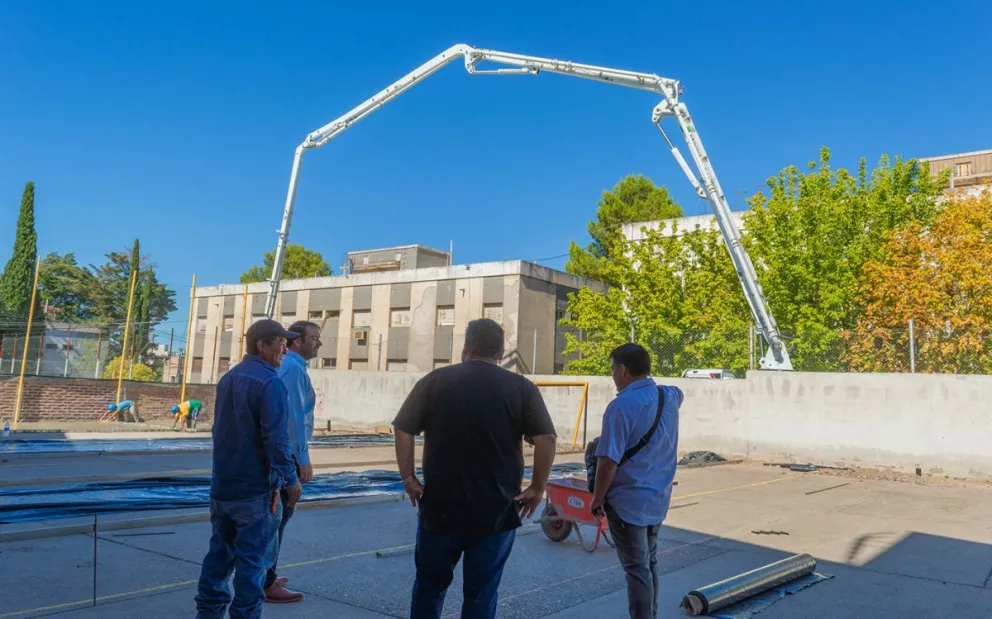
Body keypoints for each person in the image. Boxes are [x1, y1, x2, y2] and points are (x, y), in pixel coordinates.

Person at [393, 318, 558, 619]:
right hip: (496, 512)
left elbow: (403, 428)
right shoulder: (521, 387)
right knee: (481, 594)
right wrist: (537, 488)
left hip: (440, 510)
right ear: (500, 352)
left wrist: (408, 478)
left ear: (466, 347)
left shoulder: (435, 381)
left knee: (429, 587)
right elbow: (546, 439)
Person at [194, 319, 302, 619]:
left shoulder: (229, 378)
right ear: (262, 345)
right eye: (281, 344)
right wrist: (291, 478)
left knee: (219, 556)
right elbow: (276, 439)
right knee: (252, 564)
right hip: (256, 490)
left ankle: (208, 614)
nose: (285, 350)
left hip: (224, 486)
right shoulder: (270, 382)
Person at [589, 343, 682, 619]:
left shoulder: (620, 406)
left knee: (636, 569)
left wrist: (597, 498)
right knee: (649, 562)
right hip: (658, 498)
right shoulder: (669, 396)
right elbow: (680, 392)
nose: (612, 376)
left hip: (627, 503)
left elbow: (608, 461)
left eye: (612, 370)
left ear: (622, 370)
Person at [263, 320, 321, 604]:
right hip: (289, 456)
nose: (319, 343)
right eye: (314, 338)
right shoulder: (292, 369)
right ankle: (266, 581)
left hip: (288, 454)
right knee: (279, 517)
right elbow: (293, 418)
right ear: (297, 341)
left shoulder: (294, 367)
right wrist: (302, 460)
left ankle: (266, 574)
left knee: (279, 517)